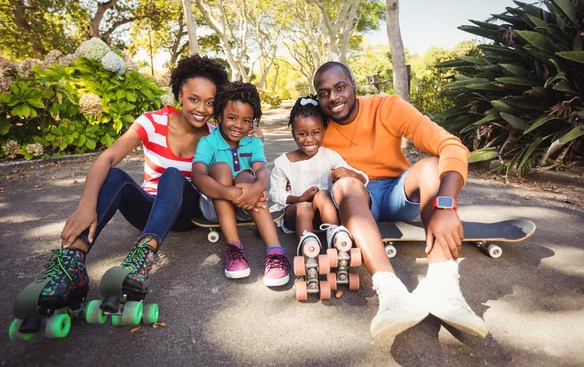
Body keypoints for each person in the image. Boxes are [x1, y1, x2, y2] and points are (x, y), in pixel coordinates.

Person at [11, 55, 233, 332]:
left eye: (210, 102)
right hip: (148, 210)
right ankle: (72, 266)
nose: (202, 109)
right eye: (193, 99)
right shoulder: (152, 123)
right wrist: (86, 206)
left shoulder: (215, 136)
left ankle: (141, 260)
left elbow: (231, 172)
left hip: (186, 213)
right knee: (115, 175)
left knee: (173, 176)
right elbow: (106, 159)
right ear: (179, 95)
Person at [312, 61, 488, 341]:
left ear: (354, 85)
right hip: (357, 201)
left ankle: (444, 285)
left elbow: (451, 145)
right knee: (345, 184)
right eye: (323, 93)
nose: (332, 98)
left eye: (340, 87)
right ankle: (391, 294)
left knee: (430, 166)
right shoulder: (317, 126)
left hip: (398, 194)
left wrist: (445, 204)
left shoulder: (387, 107)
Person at [191, 82, 289, 287]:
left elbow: (262, 169)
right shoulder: (208, 142)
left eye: (246, 120)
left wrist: (257, 187)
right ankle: (234, 248)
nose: (238, 125)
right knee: (221, 168)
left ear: (253, 122)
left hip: (248, 204)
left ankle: (275, 253)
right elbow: (198, 176)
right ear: (219, 116)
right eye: (232, 118)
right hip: (215, 206)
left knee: (247, 176)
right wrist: (230, 193)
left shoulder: (253, 141)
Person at [269, 95, 368, 260]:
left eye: (315, 132)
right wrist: (299, 197)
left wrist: (349, 173)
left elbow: (363, 178)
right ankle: (307, 248)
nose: (309, 139)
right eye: (302, 134)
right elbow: (275, 193)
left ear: (323, 131)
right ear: (293, 133)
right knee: (304, 206)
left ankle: (334, 234)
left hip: (321, 214)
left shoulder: (329, 156)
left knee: (322, 194)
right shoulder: (282, 163)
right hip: (293, 215)